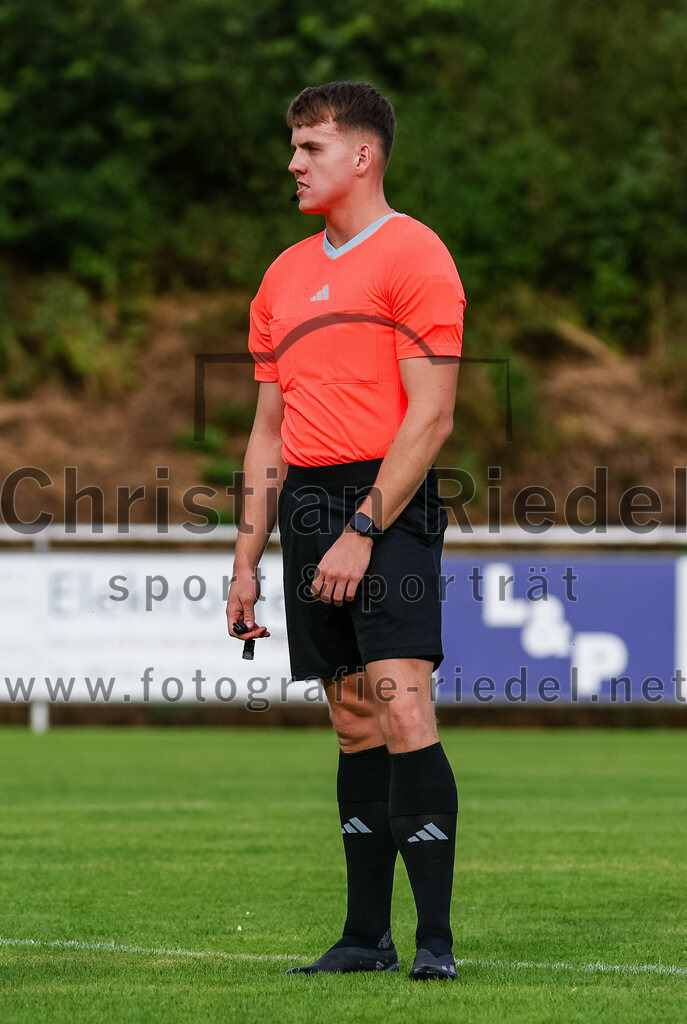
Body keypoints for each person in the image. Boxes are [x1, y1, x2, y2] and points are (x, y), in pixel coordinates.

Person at [226, 81, 465, 981]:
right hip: (307, 504)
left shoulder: (416, 256)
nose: (292, 163)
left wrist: (364, 525)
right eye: (292, 146)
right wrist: (246, 559)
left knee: (401, 701)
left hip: (384, 497)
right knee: (352, 720)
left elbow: (431, 416)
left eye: (309, 147)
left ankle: (434, 944)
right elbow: (266, 430)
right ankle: (366, 938)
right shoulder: (283, 274)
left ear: (361, 155)